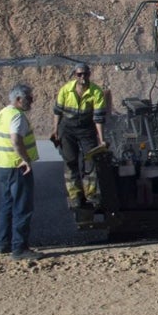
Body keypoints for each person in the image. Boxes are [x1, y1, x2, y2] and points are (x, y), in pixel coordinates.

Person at [0, 83, 42, 260]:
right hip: (17, 167)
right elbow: (15, 140)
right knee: (22, 207)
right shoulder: (17, 116)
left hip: (3, 166)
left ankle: (3, 244)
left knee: (7, 205)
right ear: (19, 99)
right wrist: (25, 160)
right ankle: (20, 248)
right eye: (29, 98)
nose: (32, 101)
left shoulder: (3, 113)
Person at [53, 63, 107, 210]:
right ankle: (75, 195)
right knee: (70, 161)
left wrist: (101, 139)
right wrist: (56, 131)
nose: (83, 77)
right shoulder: (66, 90)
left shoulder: (96, 92)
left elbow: (98, 119)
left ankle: (91, 194)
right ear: (74, 75)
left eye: (85, 74)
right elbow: (57, 112)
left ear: (89, 74)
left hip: (86, 129)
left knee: (90, 160)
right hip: (67, 129)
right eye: (79, 74)